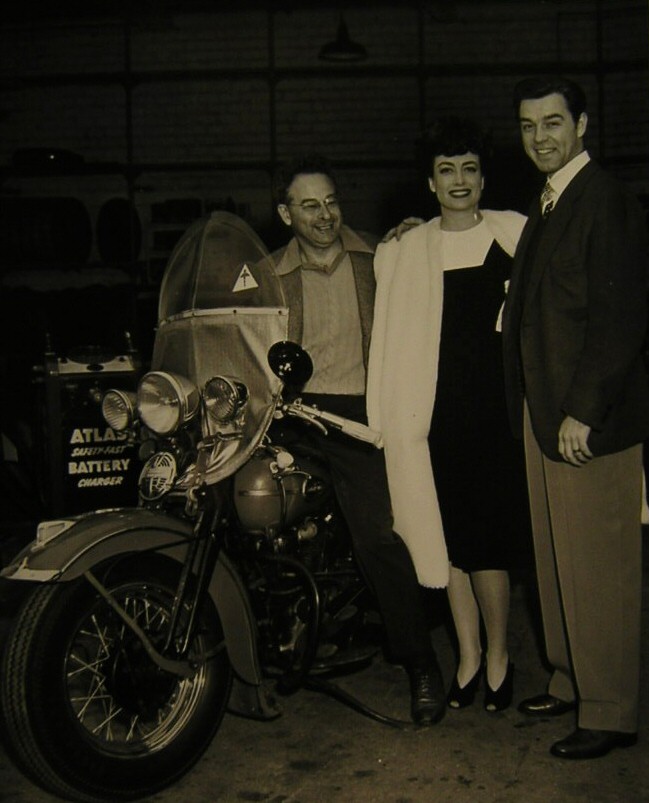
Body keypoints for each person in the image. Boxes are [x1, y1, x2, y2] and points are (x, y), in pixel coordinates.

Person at [269, 153, 445, 725]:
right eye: (309, 205)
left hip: (359, 414)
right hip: (293, 414)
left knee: (377, 534)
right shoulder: (270, 275)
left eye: (331, 202)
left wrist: (419, 235)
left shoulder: (378, 259)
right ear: (285, 213)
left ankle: (420, 661)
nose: (324, 215)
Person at [502, 75, 649, 759]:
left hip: (587, 423)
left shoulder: (607, 201)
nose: (540, 138)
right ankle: (567, 677)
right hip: (543, 414)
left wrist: (583, 412)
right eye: (528, 126)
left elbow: (620, 321)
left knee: (599, 567)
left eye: (553, 123)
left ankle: (611, 708)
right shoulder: (547, 203)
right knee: (556, 561)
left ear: (582, 124)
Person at [367, 118, 529, 714]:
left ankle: (499, 656)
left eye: (468, 169)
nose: (458, 181)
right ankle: (465, 654)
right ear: (430, 183)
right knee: (446, 543)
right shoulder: (407, 250)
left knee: (487, 543)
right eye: (446, 170)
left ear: (483, 180)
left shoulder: (518, 235)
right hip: (432, 418)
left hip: (495, 415)